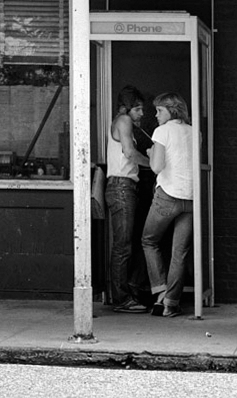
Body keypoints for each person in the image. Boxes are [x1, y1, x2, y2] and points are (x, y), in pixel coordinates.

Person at [141, 91, 195, 318]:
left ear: (171, 110)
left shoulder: (162, 131)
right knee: (179, 252)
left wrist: (152, 152)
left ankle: (160, 291)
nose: (156, 115)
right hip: (190, 198)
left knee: (149, 240)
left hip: (167, 195)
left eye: (159, 110)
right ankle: (171, 304)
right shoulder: (194, 132)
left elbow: (156, 167)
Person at [104, 85, 151, 313]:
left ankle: (128, 291)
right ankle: (121, 299)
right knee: (123, 246)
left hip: (126, 187)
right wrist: (155, 164)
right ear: (126, 108)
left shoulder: (125, 122)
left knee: (128, 244)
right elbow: (129, 153)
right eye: (138, 109)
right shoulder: (123, 120)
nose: (142, 113)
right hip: (122, 186)